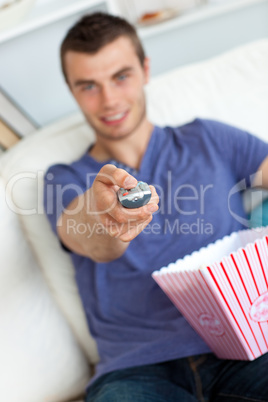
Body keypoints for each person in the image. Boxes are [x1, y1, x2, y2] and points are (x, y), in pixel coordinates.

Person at [44, 12, 268, 402]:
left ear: (146, 70)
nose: (109, 100)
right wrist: (109, 218)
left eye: (121, 76)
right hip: (137, 371)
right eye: (88, 86)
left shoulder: (207, 138)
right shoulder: (65, 178)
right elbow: (88, 237)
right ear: (72, 91)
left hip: (245, 349)